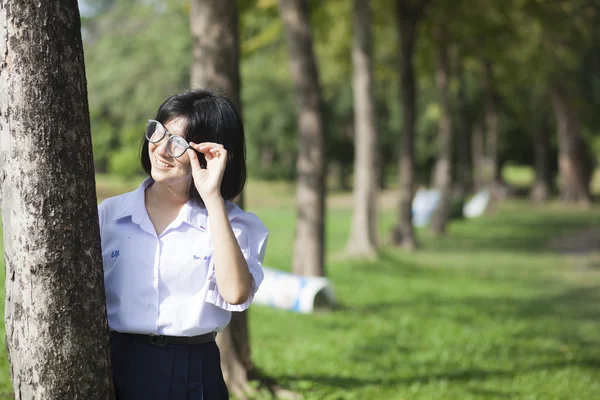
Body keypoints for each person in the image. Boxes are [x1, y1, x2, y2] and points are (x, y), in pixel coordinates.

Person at [98, 89, 269, 399]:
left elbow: (235, 293)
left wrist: (212, 197)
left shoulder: (232, 224)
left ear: (208, 155)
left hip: (192, 370)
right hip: (115, 363)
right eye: (158, 133)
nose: (161, 150)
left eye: (178, 144)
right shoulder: (109, 215)